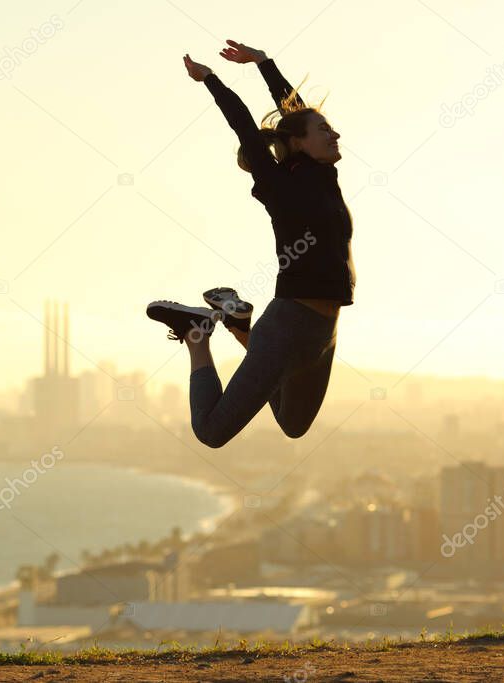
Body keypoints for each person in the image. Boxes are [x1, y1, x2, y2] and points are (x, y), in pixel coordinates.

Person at [147, 39, 356, 448]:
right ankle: (196, 334)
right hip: (289, 324)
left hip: (324, 330)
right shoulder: (278, 183)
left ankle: (239, 325)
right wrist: (211, 80)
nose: (335, 134)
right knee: (211, 432)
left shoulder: (324, 176)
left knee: (294, 426)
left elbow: (294, 111)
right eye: (324, 131)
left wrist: (264, 63)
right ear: (300, 143)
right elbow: (242, 123)